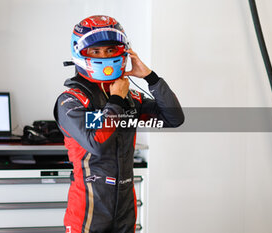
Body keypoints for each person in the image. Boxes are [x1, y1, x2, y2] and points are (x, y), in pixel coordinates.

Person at [54, 15, 184, 233]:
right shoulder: (72, 99)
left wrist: (151, 78)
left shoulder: (130, 97)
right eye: (95, 51)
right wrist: (116, 101)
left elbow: (174, 118)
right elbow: (96, 142)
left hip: (124, 206)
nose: (104, 56)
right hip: (89, 208)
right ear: (80, 53)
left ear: (123, 52)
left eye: (110, 50)